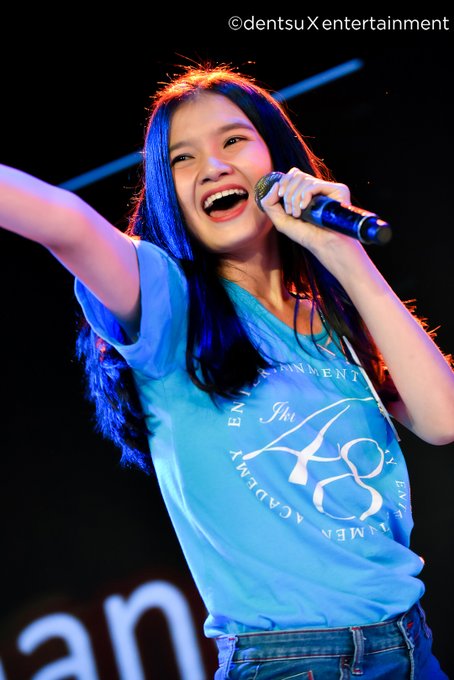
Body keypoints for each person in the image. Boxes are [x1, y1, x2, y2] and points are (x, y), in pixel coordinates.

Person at [1, 64, 453, 679]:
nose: (212, 166)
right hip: (293, 661)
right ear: (167, 193)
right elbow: (66, 222)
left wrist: (342, 253)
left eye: (233, 140)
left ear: (279, 160)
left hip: (411, 644)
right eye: (182, 159)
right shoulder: (167, 303)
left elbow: (443, 420)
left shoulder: (332, 312)